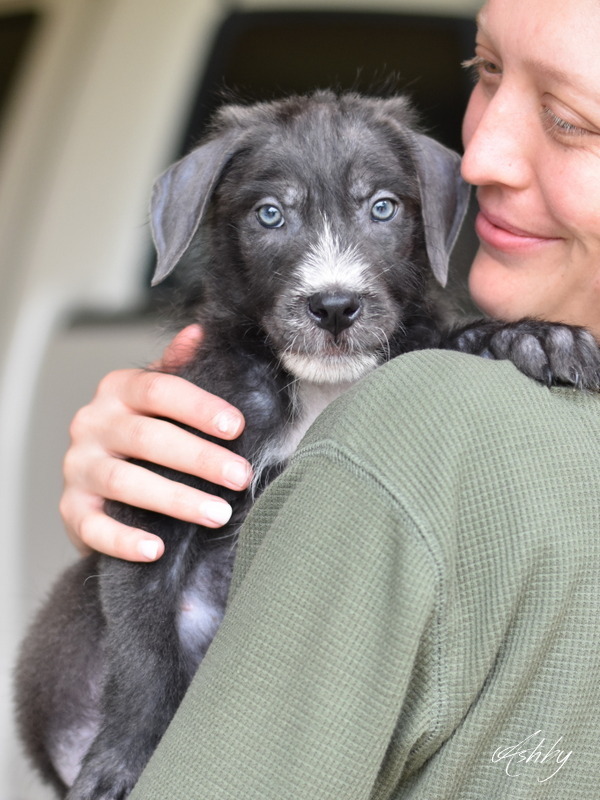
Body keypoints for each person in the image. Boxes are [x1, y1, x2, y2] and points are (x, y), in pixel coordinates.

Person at [59, 0, 600, 796]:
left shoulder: (422, 432)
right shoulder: (454, 390)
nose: (475, 158)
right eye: (484, 70)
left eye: (567, 117)